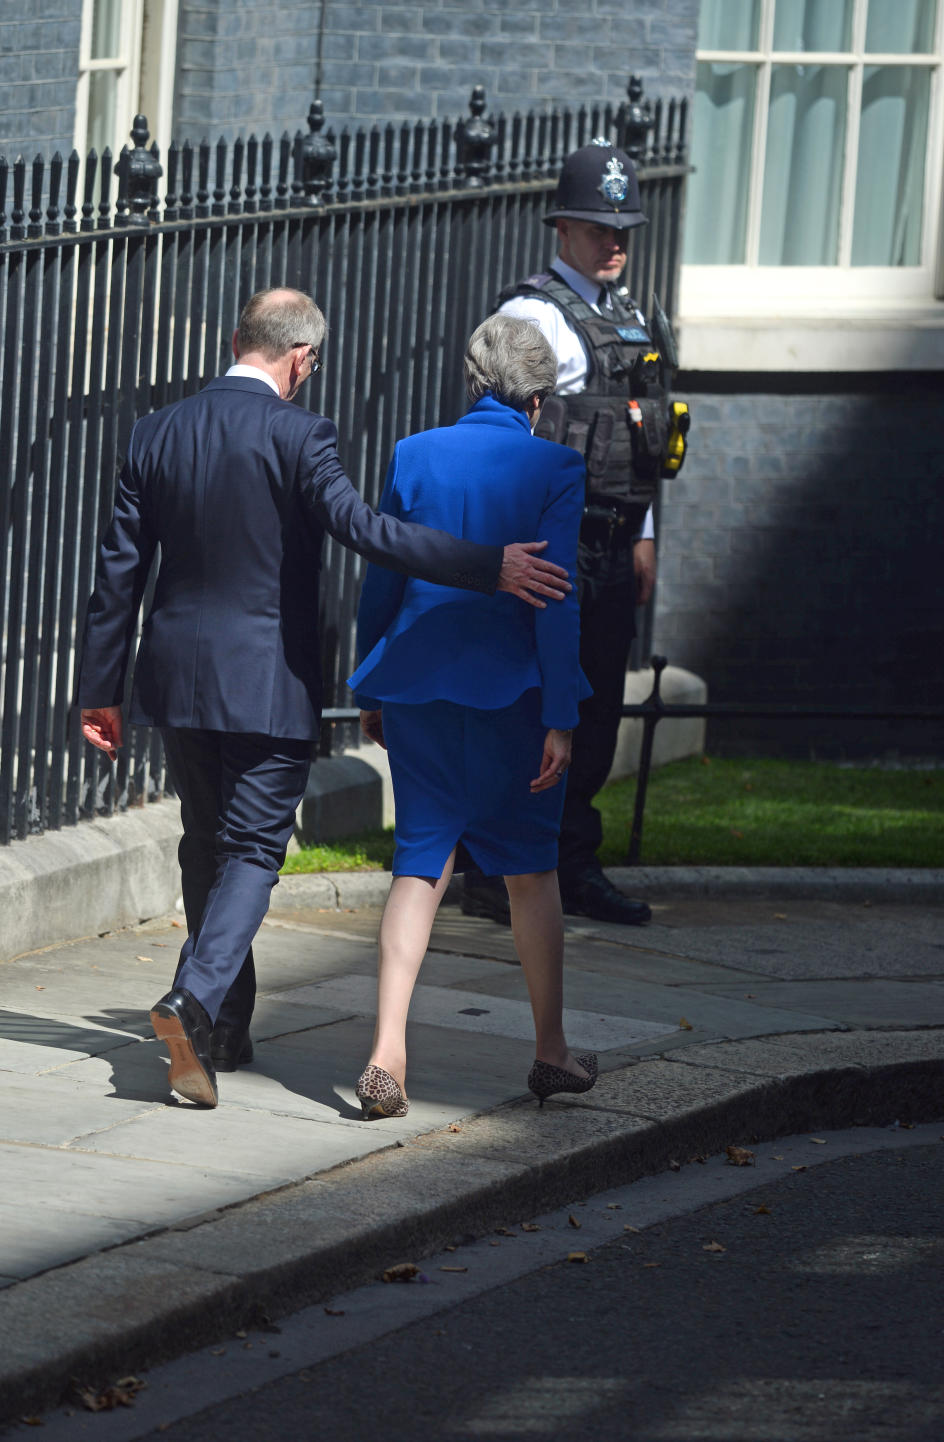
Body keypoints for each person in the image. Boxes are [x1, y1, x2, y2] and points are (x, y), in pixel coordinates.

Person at [77, 287, 574, 1110]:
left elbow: (117, 572)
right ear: (302, 357)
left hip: (172, 677)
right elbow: (370, 533)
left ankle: (221, 1031)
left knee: (205, 845)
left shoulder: (155, 430)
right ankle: (194, 999)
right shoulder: (300, 434)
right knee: (254, 852)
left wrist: (102, 690)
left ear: (238, 338)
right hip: (268, 680)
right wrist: (492, 566)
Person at [347, 314, 597, 1118]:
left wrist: (371, 688)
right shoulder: (556, 464)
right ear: (538, 398)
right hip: (516, 697)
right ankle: (551, 1051)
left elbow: (383, 576)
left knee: (420, 863)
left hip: (418, 687)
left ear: (474, 381)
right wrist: (562, 713)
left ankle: (388, 1051)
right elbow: (557, 600)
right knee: (529, 872)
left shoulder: (414, 453)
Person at [463, 139, 685, 927]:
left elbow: (641, 438)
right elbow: (509, 440)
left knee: (595, 708)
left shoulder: (624, 313)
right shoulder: (530, 317)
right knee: (541, 704)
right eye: (599, 227)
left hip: (614, 539)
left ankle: (569, 861)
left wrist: (645, 531)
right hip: (555, 544)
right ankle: (497, 866)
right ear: (562, 229)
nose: (615, 240)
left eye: (623, 227)